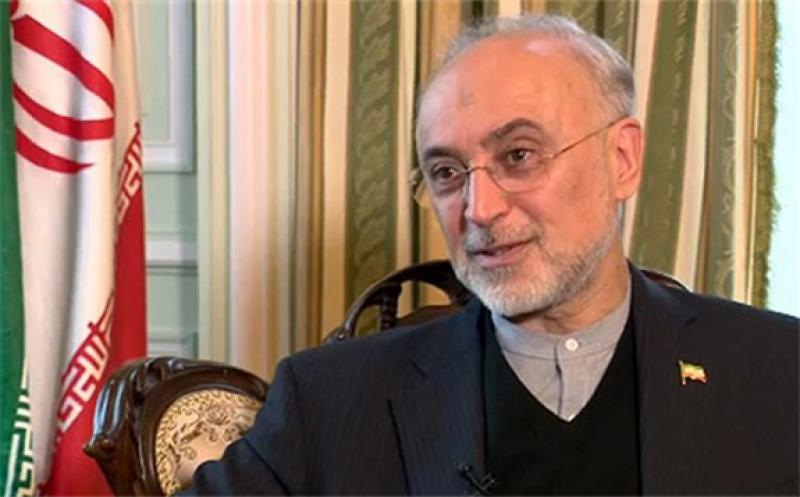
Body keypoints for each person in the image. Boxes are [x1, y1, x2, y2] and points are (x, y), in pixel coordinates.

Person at [186, 14, 798, 495]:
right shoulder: (329, 401)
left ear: (622, 159)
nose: (478, 209)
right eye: (447, 172)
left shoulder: (778, 372)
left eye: (519, 156)